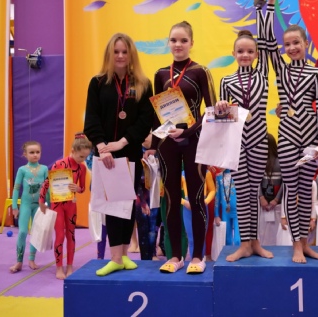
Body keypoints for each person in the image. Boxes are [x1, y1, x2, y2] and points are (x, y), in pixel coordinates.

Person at [257, 0, 318, 263]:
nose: (292, 47)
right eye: (287, 44)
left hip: (310, 137)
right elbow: (266, 42)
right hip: (287, 135)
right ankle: (296, 245)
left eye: (296, 42)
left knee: (306, 189)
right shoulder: (281, 69)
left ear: (306, 44)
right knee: (291, 189)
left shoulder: (317, 73)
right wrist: (267, 4)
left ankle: (306, 244)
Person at [145, 21, 217, 274]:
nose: (178, 44)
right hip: (168, 144)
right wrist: (153, 146)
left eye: (183, 40)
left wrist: (186, 132)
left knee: (196, 198)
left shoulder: (201, 71)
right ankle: (175, 255)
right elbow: (157, 114)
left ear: (191, 43)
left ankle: (198, 256)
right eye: (174, 40)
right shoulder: (160, 74)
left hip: (194, 142)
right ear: (169, 42)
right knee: (172, 199)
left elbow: (211, 112)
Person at [84, 32, 154, 276]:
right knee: (113, 206)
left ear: (131, 54)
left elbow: (146, 120)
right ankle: (115, 257)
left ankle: (123, 255)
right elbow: (91, 118)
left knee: (127, 204)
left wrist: (123, 142)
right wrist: (103, 147)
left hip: (130, 153)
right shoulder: (97, 83)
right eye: (116, 52)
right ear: (109, 54)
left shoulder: (143, 84)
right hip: (106, 156)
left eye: (125, 52)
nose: (121, 56)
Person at [215, 25, 273, 262]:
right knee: (242, 193)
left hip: (259, 140)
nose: (245, 55)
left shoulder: (263, 75)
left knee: (254, 191)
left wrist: (262, 8)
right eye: (240, 51)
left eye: (250, 51)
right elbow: (221, 117)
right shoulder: (226, 81)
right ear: (233, 54)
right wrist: (220, 107)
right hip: (237, 143)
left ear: (257, 54)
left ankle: (255, 243)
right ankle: (244, 244)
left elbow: (267, 41)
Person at [38, 133, 92, 279]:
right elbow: (47, 183)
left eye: (86, 157)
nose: (83, 160)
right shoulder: (59, 164)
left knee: (71, 235)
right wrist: (41, 201)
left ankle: (69, 266)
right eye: (81, 156)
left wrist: (77, 188)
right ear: (73, 151)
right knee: (60, 236)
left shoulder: (82, 168)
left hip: (71, 205)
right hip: (57, 205)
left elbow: (83, 189)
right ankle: (59, 267)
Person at [9, 141, 48, 273]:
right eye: (31, 152)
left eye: (37, 152)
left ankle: (32, 259)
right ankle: (19, 261)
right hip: (25, 205)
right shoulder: (22, 170)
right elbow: (16, 188)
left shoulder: (44, 169)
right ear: (25, 154)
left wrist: (49, 205)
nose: (35, 155)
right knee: (22, 232)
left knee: (36, 232)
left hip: (39, 205)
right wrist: (15, 206)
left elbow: (47, 189)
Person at [181, 170, 216, 260]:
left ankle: (201, 260)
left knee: (201, 238)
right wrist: (184, 202)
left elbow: (212, 190)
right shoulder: (183, 174)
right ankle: (193, 260)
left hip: (202, 206)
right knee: (191, 239)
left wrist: (205, 202)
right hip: (188, 208)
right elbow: (174, 192)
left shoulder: (206, 173)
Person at [258, 133, 284, 247]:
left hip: (277, 205)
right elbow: (255, 181)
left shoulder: (280, 161)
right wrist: (261, 197)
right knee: (262, 234)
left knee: (277, 235)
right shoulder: (259, 162)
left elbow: (285, 182)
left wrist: (276, 199)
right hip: (263, 204)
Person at [214, 169, 241, 248]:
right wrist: (216, 215)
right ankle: (229, 254)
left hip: (238, 210)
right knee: (227, 239)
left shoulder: (238, 174)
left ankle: (238, 253)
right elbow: (217, 197)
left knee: (238, 239)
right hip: (225, 212)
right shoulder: (219, 177)